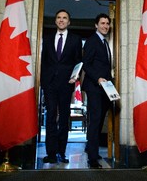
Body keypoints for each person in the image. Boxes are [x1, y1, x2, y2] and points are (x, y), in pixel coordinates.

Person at [41, 9, 82, 164]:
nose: (61, 20)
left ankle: (61, 153)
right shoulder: (47, 38)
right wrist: (43, 82)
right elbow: (43, 61)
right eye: (59, 17)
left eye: (65, 18)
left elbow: (79, 61)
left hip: (66, 84)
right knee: (50, 117)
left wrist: (75, 77)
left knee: (64, 118)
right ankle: (51, 153)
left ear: (69, 22)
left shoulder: (76, 39)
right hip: (50, 84)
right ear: (55, 21)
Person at [82, 13, 113, 169]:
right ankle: (92, 159)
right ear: (96, 25)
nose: (105, 26)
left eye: (107, 23)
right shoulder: (92, 41)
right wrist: (98, 79)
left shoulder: (104, 43)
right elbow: (86, 64)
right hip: (94, 86)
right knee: (95, 120)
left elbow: (104, 66)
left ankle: (91, 148)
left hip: (105, 89)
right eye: (102, 23)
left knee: (99, 119)